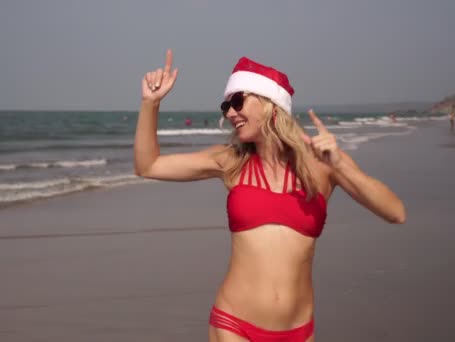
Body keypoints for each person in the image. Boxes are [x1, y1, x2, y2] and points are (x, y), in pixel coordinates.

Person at [134, 50, 406, 342]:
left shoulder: (324, 164)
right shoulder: (231, 161)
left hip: (298, 333)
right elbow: (148, 165)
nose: (230, 113)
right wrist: (151, 104)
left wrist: (340, 165)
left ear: (270, 104)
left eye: (238, 102)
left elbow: (395, 213)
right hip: (234, 325)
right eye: (226, 106)